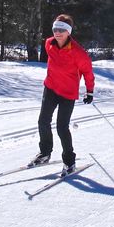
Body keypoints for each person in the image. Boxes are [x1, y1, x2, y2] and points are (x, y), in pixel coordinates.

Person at [28, 14, 94, 176]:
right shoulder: (49, 43)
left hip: (68, 93)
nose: (57, 33)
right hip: (50, 88)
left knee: (62, 127)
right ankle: (45, 153)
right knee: (43, 121)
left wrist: (90, 90)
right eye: (55, 29)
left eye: (62, 30)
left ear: (68, 32)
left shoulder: (78, 53)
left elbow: (88, 72)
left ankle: (69, 162)